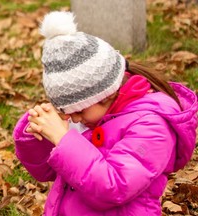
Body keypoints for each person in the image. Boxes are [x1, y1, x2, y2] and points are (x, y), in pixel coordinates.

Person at [13, 11, 198, 216]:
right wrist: (37, 136)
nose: (73, 118)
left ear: (104, 94)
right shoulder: (93, 116)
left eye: (79, 110)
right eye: (65, 111)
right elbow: (46, 171)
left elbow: (114, 187)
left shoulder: (152, 125)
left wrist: (63, 139)